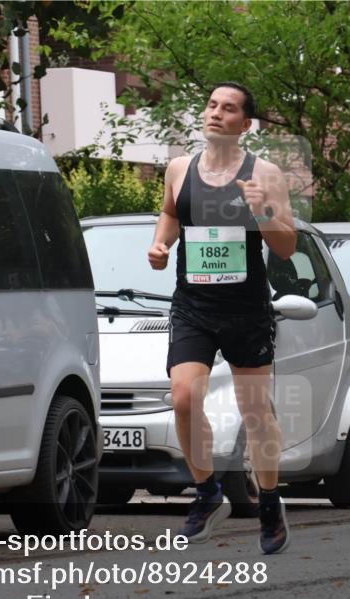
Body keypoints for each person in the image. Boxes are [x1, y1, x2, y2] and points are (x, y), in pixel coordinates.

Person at [147, 82, 296, 555]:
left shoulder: (264, 173)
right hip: (194, 305)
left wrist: (264, 212)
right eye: (212, 105)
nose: (215, 113)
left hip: (246, 309)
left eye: (228, 109)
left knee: (255, 412)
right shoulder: (179, 167)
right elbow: (171, 213)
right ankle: (208, 493)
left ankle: (269, 501)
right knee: (184, 397)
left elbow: (287, 246)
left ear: (245, 124)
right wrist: (161, 244)